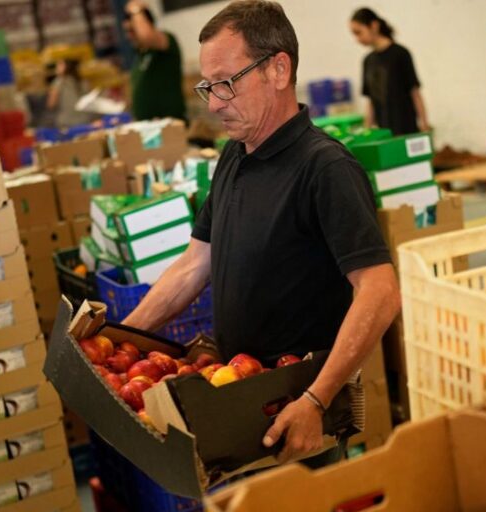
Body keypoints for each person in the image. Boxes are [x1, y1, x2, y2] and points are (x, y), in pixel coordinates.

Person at [122, 0, 401, 465]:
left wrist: (315, 400)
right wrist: (120, 338)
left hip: (296, 415)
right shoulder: (235, 155)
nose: (214, 103)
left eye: (226, 84)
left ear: (278, 70)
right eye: (207, 86)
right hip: (239, 399)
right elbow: (195, 264)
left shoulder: (325, 169)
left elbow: (381, 291)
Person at [350, 8, 430, 135]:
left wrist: (424, 125)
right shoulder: (368, 61)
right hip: (384, 132)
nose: (357, 39)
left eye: (359, 32)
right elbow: (371, 101)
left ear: (374, 26)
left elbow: (415, 92)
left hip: (407, 130)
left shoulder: (401, 54)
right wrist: (367, 129)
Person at [123, 1, 187, 122]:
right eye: (126, 31)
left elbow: (146, 36)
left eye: (132, 30)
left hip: (170, 123)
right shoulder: (140, 54)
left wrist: (136, 10)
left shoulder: (165, 41)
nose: (129, 36)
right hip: (147, 125)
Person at [46, 59, 96, 129]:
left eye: (60, 64)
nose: (57, 67)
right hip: (85, 121)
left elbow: (51, 104)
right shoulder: (85, 82)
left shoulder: (58, 82)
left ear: (67, 66)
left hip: (66, 123)